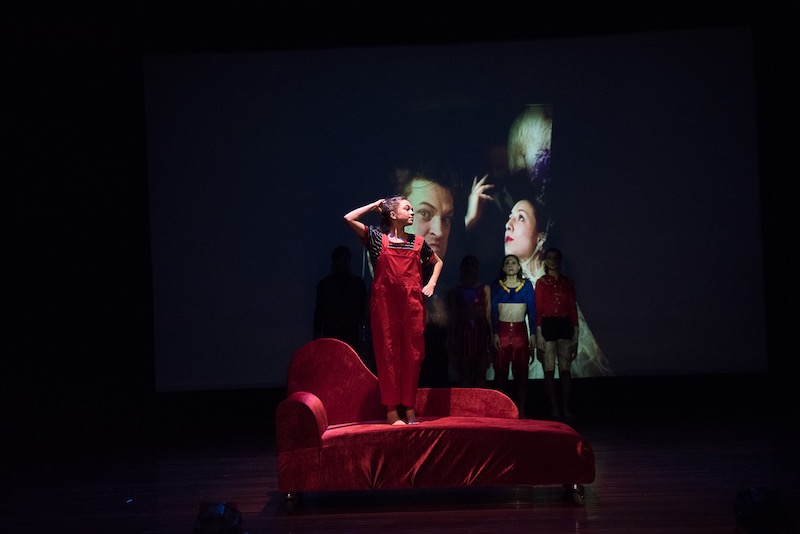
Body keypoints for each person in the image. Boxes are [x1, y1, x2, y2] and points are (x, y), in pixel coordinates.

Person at [344, 196, 443, 425]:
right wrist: (373, 206)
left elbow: (438, 262)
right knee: (387, 355)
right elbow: (348, 218)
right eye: (407, 208)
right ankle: (391, 411)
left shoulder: (418, 242)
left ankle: (409, 407)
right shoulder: (377, 239)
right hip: (385, 306)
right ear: (392, 214)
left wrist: (431, 284)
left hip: (412, 306)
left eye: (412, 209)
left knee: (413, 356)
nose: (412, 212)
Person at [503, 197, 613, 379]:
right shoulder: (505, 287)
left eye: (520, 217)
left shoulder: (557, 285)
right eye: (509, 217)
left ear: (541, 238)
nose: (508, 225)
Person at [391, 162, 456, 386]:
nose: (438, 231)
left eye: (446, 219)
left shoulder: (446, 285)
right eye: (425, 213)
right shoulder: (386, 275)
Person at [490, 254, 536, 417]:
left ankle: (521, 409)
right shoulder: (497, 286)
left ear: (518, 267)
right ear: (503, 267)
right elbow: (493, 312)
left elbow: (532, 311)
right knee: (500, 372)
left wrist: (533, 334)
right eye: (507, 263)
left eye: (514, 263)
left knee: (521, 373)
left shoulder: (526, 286)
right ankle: (502, 411)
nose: (510, 265)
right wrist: (495, 333)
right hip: (502, 333)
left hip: (520, 334)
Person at [534, 247, 578, 419]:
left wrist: (575, 333)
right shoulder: (542, 283)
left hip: (564, 323)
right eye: (550, 258)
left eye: (555, 258)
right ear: (546, 261)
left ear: (560, 260)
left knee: (565, 370)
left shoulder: (567, 283)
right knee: (549, 369)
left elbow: (572, 308)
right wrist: (539, 333)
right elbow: (538, 310)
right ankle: (554, 408)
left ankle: (565, 407)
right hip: (548, 324)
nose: (552, 261)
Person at [446, 255, 492, 387]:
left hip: (480, 331)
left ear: (476, 268)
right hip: (463, 332)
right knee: (464, 370)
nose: (469, 267)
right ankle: (466, 399)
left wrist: (491, 337)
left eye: (472, 264)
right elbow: (453, 315)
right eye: (466, 264)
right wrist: (450, 338)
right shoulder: (456, 291)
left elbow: (488, 314)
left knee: (481, 369)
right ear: (462, 268)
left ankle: (480, 399)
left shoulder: (485, 288)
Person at [313, 245, 367, 357]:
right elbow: (319, 310)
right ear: (334, 260)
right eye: (340, 258)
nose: (343, 262)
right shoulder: (325, 284)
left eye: (345, 258)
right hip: (334, 330)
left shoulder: (357, 284)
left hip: (350, 330)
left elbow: (363, 309)